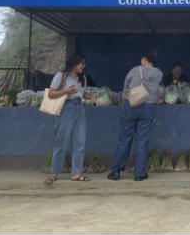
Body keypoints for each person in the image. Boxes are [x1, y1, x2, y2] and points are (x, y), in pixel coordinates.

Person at [108, 47, 163, 182]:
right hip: (148, 106)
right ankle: (139, 173)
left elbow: (125, 88)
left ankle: (116, 171)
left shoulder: (134, 70)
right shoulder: (159, 73)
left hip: (130, 105)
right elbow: (156, 88)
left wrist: (124, 106)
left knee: (125, 138)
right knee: (142, 140)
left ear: (144, 59)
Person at [44, 53, 98, 185]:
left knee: (79, 143)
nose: (83, 66)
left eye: (84, 64)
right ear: (74, 63)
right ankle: (54, 173)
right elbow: (51, 93)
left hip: (80, 109)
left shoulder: (82, 78)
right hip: (66, 108)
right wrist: (65, 92)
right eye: (82, 64)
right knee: (61, 142)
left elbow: (81, 93)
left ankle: (76, 173)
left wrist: (90, 97)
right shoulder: (61, 76)